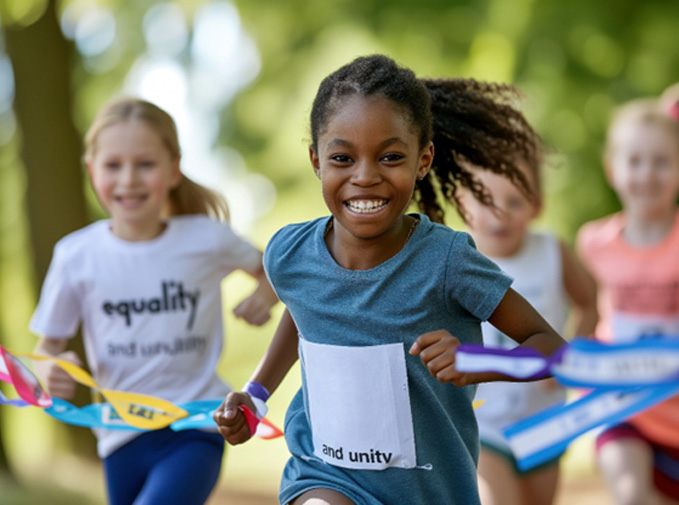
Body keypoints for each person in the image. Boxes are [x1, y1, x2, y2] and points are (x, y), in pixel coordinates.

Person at [214, 54, 567, 505]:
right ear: (316, 161)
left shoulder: (447, 261)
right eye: (342, 157)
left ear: (423, 160)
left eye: (390, 157)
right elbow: (303, 315)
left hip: (431, 490)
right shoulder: (289, 253)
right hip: (324, 476)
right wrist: (255, 395)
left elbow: (551, 347)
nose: (365, 176)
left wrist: (478, 361)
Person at [29, 97, 278, 505]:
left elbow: (277, 270)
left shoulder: (205, 239)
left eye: (145, 164)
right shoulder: (76, 255)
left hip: (195, 428)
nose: (129, 179)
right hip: (118, 437)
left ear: (173, 168)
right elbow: (46, 349)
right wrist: (50, 370)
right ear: (92, 170)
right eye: (113, 166)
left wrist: (265, 295)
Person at [455, 139, 597, 503]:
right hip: (483, 420)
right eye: (486, 201)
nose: (499, 213)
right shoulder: (456, 260)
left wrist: (572, 355)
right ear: (463, 202)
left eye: (514, 201)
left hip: (545, 418)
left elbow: (589, 302)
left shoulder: (552, 251)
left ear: (536, 204)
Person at [576, 98, 679, 504]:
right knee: (631, 496)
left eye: (661, 161)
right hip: (623, 407)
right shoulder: (592, 244)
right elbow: (583, 314)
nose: (646, 174)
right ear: (612, 169)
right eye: (634, 161)